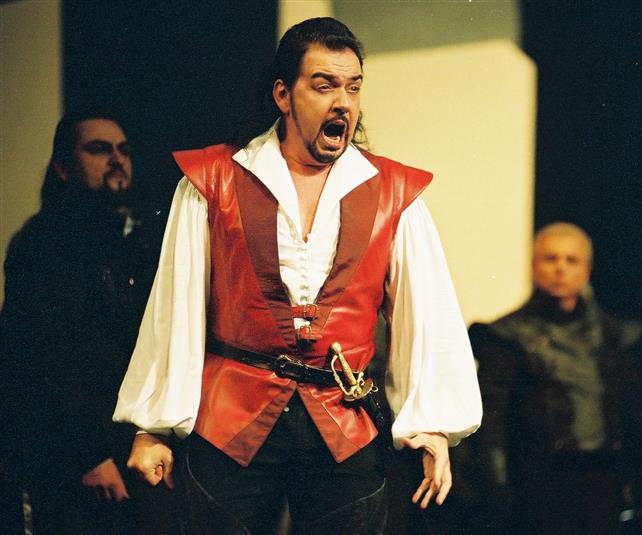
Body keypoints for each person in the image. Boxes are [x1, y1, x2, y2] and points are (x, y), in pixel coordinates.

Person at [113, 17, 482, 533]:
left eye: (353, 87)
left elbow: (427, 315)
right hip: (231, 420)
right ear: (283, 95)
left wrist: (434, 428)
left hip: (343, 423)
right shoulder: (213, 181)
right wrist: (152, 426)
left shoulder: (394, 193)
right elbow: (176, 307)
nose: (343, 102)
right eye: (324, 85)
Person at [0, 111, 167, 533]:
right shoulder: (43, 244)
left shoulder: (135, 239)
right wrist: (88, 456)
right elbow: (43, 358)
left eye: (123, 150)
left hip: (128, 443)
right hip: (72, 457)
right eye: (98, 149)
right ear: (63, 167)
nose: (117, 159)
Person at [468, 222, 642, 534]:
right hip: (538, 482)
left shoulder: (611, 334)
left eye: (571, 260)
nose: (560, 268)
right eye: (550, 258)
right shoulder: (508, 336)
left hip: (602, 479)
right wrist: (496, 484)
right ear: (534, 265)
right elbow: (491, 418)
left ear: (587, 269)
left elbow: (633, 405)